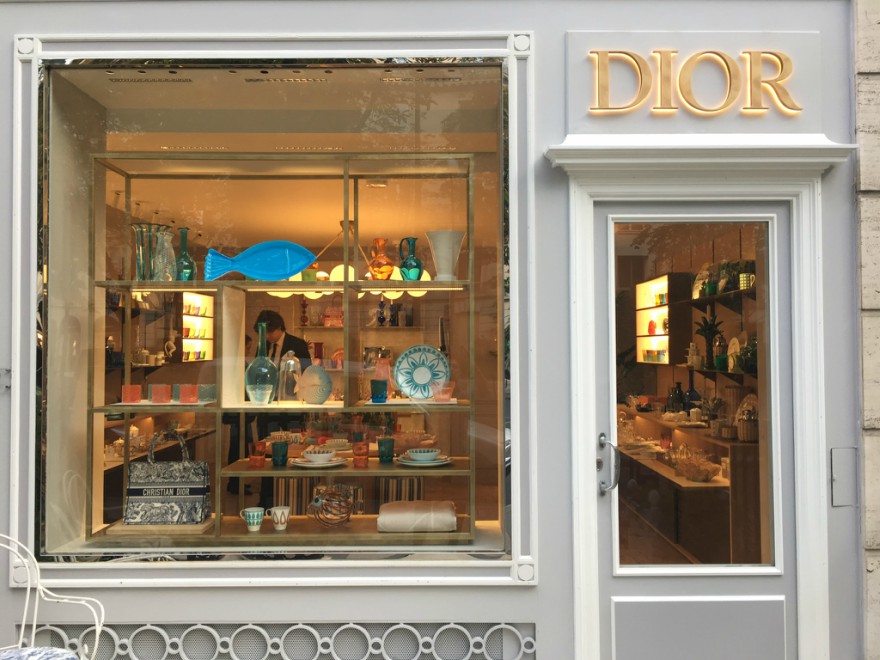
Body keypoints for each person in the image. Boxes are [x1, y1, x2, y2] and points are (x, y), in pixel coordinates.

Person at [254, 309, 311, 508]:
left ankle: (293, 498)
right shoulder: (263, 347)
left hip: (292, 408)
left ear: (278, 327)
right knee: (267, 453)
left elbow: (307, 373)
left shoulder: (298, 344)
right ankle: (267, 498)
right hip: (268, 408)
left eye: (269, 332)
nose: (267, 337)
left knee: (294, 451)